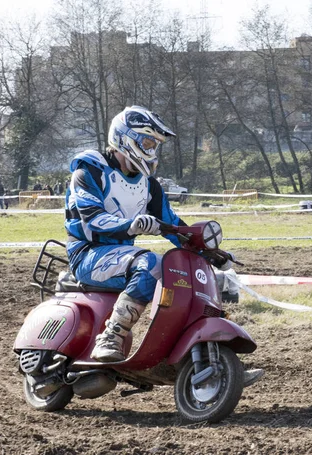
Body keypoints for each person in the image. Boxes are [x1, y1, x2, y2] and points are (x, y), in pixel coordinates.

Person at [64, 106, 263, 386]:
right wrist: (130, 225)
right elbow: (93, 218)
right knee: (150, 264)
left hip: (121, 256)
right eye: (147, 142)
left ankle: (201, 356)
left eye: (155, 144)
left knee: (179, 273)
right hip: (87, 254)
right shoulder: (90, 172)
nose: (152, 150)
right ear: (125, 138)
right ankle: (111, 336)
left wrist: (210, 251)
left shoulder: (149, 186)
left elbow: (173, 225)